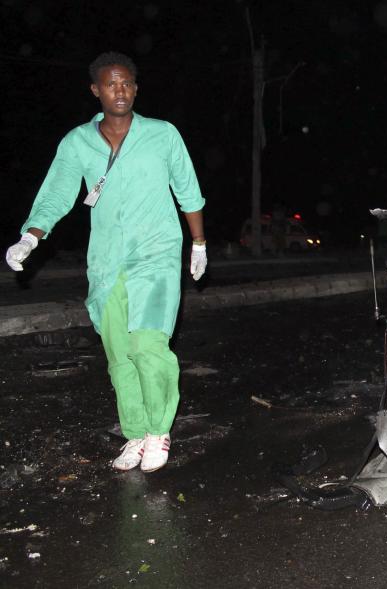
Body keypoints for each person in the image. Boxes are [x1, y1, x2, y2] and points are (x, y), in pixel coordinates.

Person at [4, 51, 207, 473]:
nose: (121, 91)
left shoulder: (162, 134)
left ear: (136, 87)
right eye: (111, 84)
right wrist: (30, 236)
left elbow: (188, 190)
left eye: (127, 83)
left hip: (156, 252)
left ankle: (158, 431)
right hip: (106, 262)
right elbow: (57, 193)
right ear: (96, 90)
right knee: (119, 355)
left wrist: (199, 243)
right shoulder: (77, 141)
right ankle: (135, 432)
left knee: (149, 345)